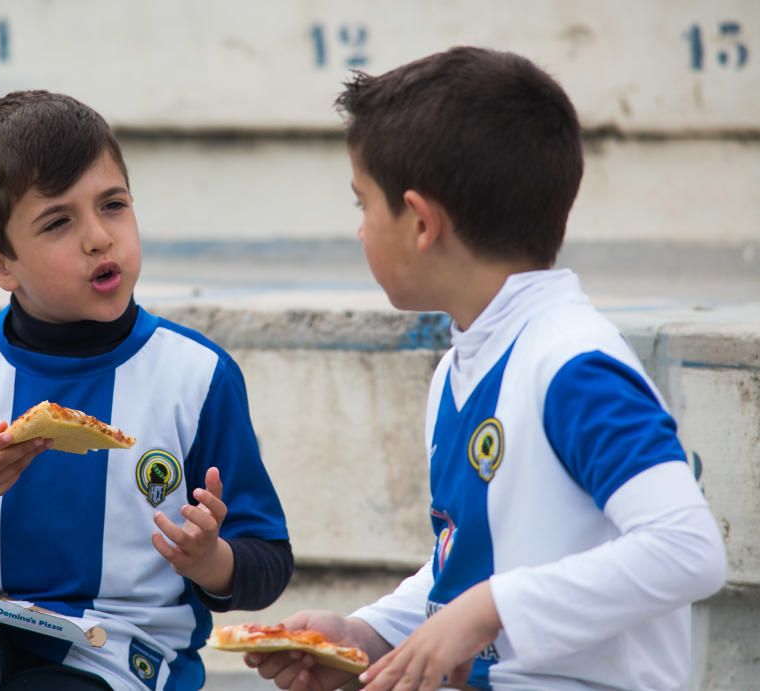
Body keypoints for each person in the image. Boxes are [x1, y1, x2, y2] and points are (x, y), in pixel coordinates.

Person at [246, 46, 726, 691]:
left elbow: (688, 550)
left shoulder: (572, 364)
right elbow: (471, 563)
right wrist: (371, 633)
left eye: (363, 204)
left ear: (420, 222)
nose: (360, 230)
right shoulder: (459, 368)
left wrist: (492, 608)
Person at [0, 90, 293, 691]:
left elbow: (268, 560)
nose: (99, 238)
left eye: (113, 205)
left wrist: (211, 561)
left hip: (118, 659)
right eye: (58, 222)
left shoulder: (196, 375)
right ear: (0, 266)